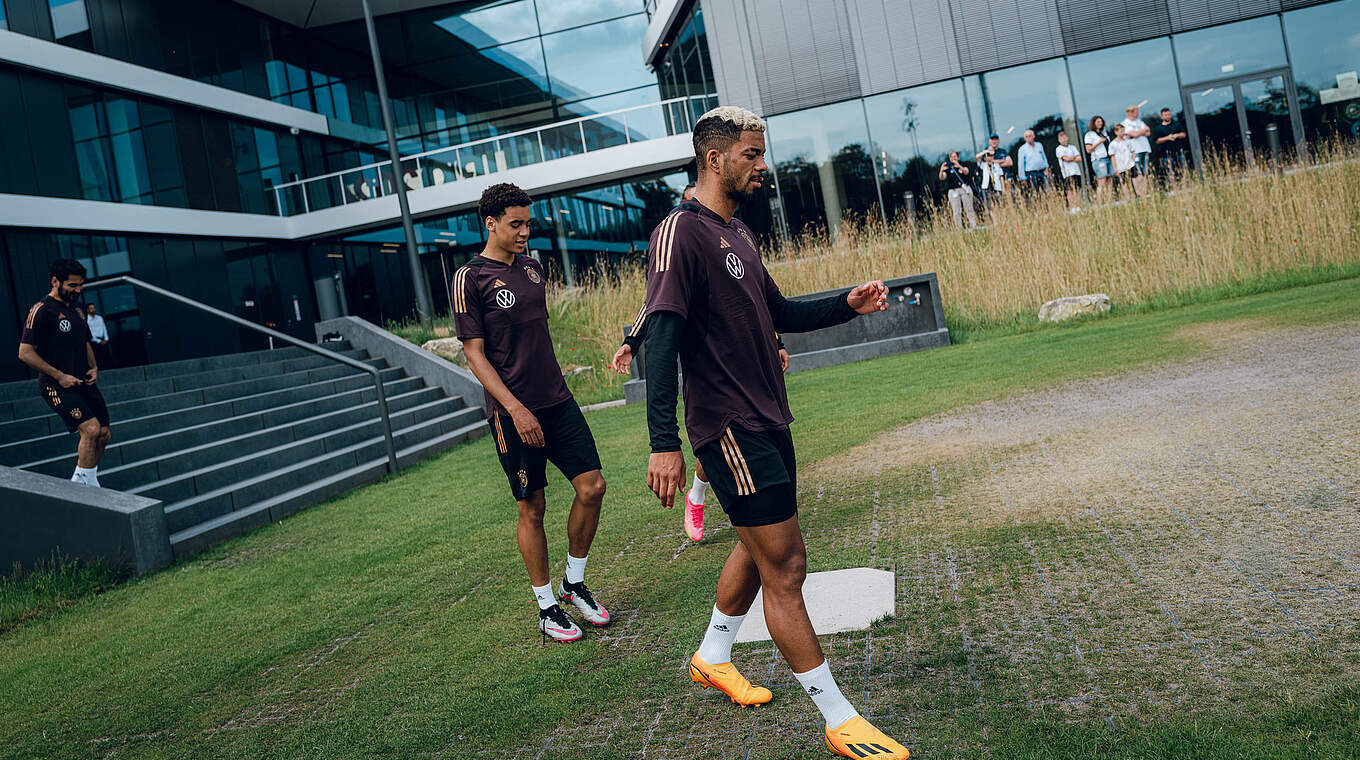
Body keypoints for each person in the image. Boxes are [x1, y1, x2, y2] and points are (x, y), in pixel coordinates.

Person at [637, 105, 910, 758]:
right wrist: (663, 443)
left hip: (768, 417)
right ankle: (839, 719)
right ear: (715, 157)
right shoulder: (681, 233)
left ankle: (712, 655)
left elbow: (779, 310)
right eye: (752, 155)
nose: (763, 166)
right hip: (728, 428)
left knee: (761, 551)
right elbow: (660, 339)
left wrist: (846, 302)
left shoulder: (739, 235)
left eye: (763, 154)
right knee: (786, 567)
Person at [452, 182, 611, 643]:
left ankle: (573, 583)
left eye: (528, 223)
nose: (525, 232)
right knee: (533, 507)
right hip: (512, 412)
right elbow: (475, 355)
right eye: (515, 224)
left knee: (592, 486)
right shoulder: (470, 277)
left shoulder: (533, 268)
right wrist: (516, 408)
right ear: (491, 223)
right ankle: (546, 608)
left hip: (557, 400)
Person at [611, 295, 790, 543]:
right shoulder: (678, 258)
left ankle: (704, 497)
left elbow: (754, 294)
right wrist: (632, 342)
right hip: (711, 369)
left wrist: (776, 340)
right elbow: (655, 300)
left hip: (748, 366)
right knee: (716, 440)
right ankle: (697, 498)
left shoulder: (738, 254)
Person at [17, 259, 110, 487]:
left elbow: (85, 341)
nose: (77, 291)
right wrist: (60, 376)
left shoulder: (77, 309)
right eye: (72, 286)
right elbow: (25, 353)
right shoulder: (41, 310)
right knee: (91, 429)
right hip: (55, 385)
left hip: (83, 382)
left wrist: (94, 366)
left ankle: (85, 481)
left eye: (80, 286)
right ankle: (84, 488)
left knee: (104, 434)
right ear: (55, 281)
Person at [1152, 107, 1190, 186]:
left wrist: (1176, 135)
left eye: (1169, 114)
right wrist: (1167, 138)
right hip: (1167, 154)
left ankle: (1186, 185)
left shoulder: (1177, 124)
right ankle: (1173, 187)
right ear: (1162, 117)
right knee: (1170, 172)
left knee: (1183, 170)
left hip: (1179, 152)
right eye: (1165, 115)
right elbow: (1157, 141)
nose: (1167, 116)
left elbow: (1183, 134)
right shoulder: (1158, 129)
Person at [938, 151, 977, 228]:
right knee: (956, 210)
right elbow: (942, 177)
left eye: (955, 156)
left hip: (964, 188)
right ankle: (958, 227)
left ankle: (973, 225)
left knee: (968, 207)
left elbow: (966, 172)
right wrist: (941, 170)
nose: (953, 158)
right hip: (954, 190)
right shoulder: (948, 168)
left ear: (958, 157)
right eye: (952, 157)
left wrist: (959, 166)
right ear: (950, 158)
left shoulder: (963, 164)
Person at [1120, 105, 1152, 197]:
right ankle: (1139, 193)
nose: (1137, 114)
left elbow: (1148, 131)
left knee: (1145, 172)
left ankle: (1145, 192)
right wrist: (1141, 132)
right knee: (1138, 173)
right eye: (1135, 112)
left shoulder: (1139, 121)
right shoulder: (1125, 124)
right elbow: (1135, 134)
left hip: (1145, 148)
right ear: (1130, 113)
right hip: (1135, 150)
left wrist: (1138, 133)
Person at [1084, 115, 1113, 203]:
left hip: (1108, 158)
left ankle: (1109, 200)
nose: (1100, 123)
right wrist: (1099, 142)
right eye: (1098, 122)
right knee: (1102, 181)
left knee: (1109, 180)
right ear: (1093, 123)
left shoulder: (1104, 133)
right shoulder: (1089, 135)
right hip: (1099, 159)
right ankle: (1099, 201)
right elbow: (1088, 150)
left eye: (1101, 121)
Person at [1054, 131, 1083, 211]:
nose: (1064, 139)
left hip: (1076, 171)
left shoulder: (1072, 147)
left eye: (1065, 137)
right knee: (1070, 190)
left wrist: (1071, 158)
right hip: (1067, 173)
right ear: (1059, 140)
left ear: (1067, 138)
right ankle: (1072, 207)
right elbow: (1066, 159)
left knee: (1077, 189)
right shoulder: (1059, 149)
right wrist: (1073, 157)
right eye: (1061, 138)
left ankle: (1077, 206)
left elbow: (1080, 158)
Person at [1016, 129, 1050, 193]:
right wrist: (1022, 178)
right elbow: (1021, 165)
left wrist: (1046, 168)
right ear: (1024, 139)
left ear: (1033, 136)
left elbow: (1044, 157)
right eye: (1026, 137)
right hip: (1031, 174)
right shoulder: (1022, 149)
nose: (1028, 138)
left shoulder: (1039, 145)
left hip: (1042, 172)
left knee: (1046, 192)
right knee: (1035, 193)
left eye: (1030, 136)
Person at [1108, 123, 1137, 199]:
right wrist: (1115, 169)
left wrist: (1133, 161)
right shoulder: (1112, 144)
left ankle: (1135, 194)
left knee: (1133, 179)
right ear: (1116, 132)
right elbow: (1112, 157)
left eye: (1123, 131)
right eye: (1121, 131)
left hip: (1130, 164)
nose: (1123, 133)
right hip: (1121, 166)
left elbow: (1133, 151)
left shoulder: (1127, 141)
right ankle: (1128, 197)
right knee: (1124, 182)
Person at [85, 303, 111, 369]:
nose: (93, 310)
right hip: (94, 341)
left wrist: (106, 338)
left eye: (93, 308)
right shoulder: (87, 320)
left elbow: (104, 328)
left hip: (103, 339)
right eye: (91, 308)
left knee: (107, 356)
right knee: (98, 358)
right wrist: (98, 341)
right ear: (87, 310)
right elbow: (89, 332)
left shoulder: (99, 318)